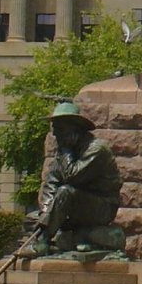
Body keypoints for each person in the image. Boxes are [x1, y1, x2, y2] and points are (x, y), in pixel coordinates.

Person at [31, 101, 123, 255]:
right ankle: (65, 236)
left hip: (101, 208)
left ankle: (43, 241)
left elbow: (73, 176)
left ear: (74, 129)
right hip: (74, 207)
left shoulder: (96, 149)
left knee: (65, 192)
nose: (54, 134)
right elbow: (51, 184)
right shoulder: (64, 152)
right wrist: (45, 215)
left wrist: (66, 151)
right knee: (34, 218)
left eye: (59, 129)